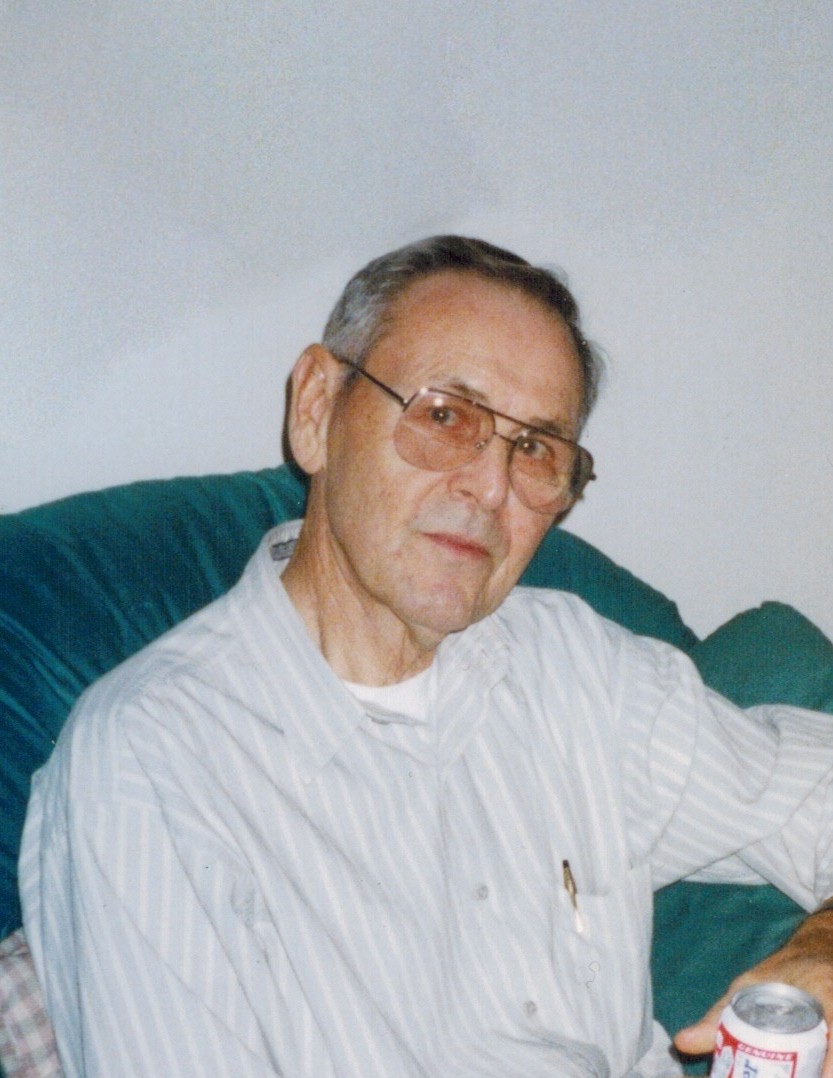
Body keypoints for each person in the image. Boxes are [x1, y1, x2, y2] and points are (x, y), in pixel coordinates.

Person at [19, 235, 833, 1077]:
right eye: (445, 416)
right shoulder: (151, 762)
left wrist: (822, 950)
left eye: (535, 449)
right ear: (316, 410)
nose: (490, 486)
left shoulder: (578, 669)